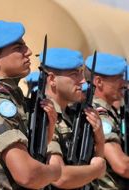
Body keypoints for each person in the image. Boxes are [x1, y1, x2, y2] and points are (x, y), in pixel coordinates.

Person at [0, 20, 61, 189]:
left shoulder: (12, 97)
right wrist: (56, 171)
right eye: (18, 48)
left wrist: (47, 136)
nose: (28, 52)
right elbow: (27, 174)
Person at [43, 48, 106, 189]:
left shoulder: (74, 115)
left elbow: (93, 164)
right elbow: (60, 177)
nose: (83, 80)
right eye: (74, 74)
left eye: (81, 73)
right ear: (52, 79)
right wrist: (96, 170)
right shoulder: (45, 115)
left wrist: (100, 141)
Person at [85, 52, 129, 190]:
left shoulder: (110, 112)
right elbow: (122, 166)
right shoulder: (99, 114)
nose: (125, 83)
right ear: (98, 82)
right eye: (118, 78)